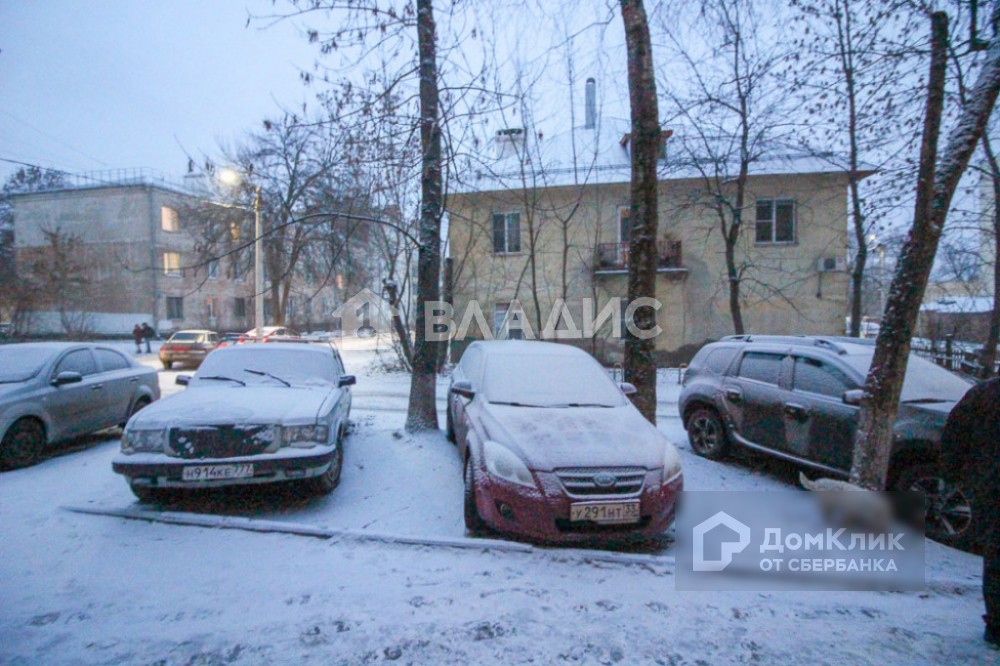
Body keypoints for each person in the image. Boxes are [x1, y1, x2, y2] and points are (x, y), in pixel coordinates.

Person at [940, 376, 1000, 649]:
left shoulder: (983, 392)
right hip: (989, 484)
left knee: (997, 555)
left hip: (988, 486)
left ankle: (996, 626)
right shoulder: (985, 393)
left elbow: (953, 436)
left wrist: (958, 478)